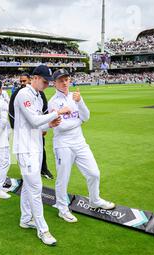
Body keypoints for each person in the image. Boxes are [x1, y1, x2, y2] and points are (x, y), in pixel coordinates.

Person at [48, 69, 115, 223]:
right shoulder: (52, 102)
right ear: (55, 83)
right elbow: (61, 127)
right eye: (61, 80)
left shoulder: (75, 96)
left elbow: (86, 116)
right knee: (63, 179)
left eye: (66, 79)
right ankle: (62, 209)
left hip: (80, 142)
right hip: (63, 144)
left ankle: (95, 200)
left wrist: (79, 102)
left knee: (94, 173)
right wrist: (78, 121)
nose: (64, 83)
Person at [13, 65, 70, 246]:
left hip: (36, 147)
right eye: (45, 81)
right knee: (36, 188)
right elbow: (34, 120)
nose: (47, 85)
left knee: (30, 186)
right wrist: (56, 112)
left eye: (48, 82)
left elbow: (38, 125)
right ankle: (43, 230)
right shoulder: (24, 94)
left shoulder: (37, 96)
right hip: (25, 148)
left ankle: (25, 218)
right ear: (35, 78)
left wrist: (50, 124)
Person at [9, 72, 54, 180]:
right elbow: (11, 113)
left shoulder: (39, 94)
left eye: (24, 81)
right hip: (25, 140)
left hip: (36, 134)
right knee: (35, 185)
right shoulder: (20, 93)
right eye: (21, 81)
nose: (22, 83)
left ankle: (44, 169)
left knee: (41, 149)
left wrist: (45, 125)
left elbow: (44, 111)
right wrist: (16, 127)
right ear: (35, 78)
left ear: (29, 79)